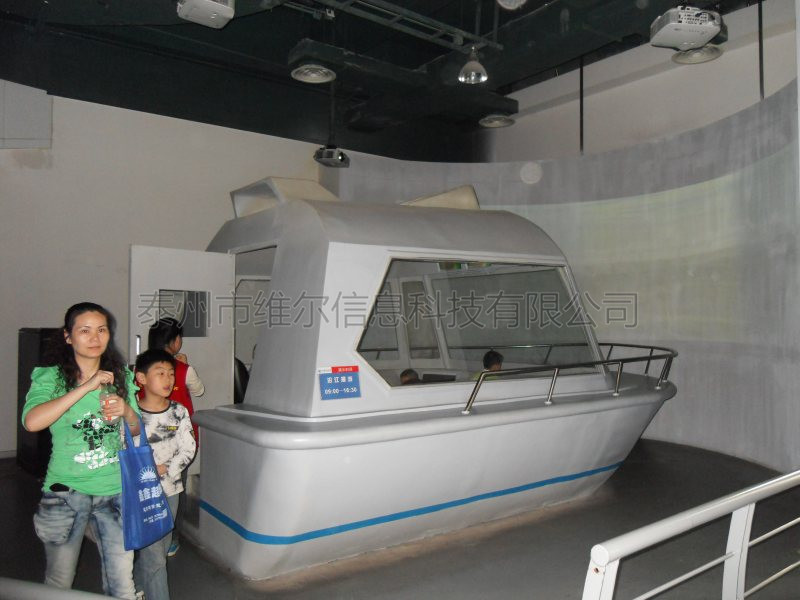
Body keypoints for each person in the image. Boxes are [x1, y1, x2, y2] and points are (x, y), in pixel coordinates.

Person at [22, 302, 141, 599]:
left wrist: (126, 411)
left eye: (102, 330)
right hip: (65, 492)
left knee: (122, 585)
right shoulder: (51, 377)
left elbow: (136, 430)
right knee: (59, 582)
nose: (95, 337)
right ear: (68, 336)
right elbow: (32, 422)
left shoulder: (121, 377)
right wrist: (85, 387)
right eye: (85, 331)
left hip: (114, 491)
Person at [132, 349, 196, 600]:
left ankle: (137, 585)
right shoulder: (132, 414)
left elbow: (188, 448)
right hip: (142, 493)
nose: (168, 379)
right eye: (160, 373)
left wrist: (168, 468)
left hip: (171, 490)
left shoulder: (178, 411)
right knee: (155, 556)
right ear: (141, 378)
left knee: (159, 548)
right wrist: (147, 468)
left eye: (171, 373)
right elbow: (122, 450)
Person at [147, 317, 204, 556]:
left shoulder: (141, 368)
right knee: (175, 488)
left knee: (148, 488)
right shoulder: (183, 369)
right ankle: (171, 539)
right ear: (175, 341)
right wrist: (185, 365)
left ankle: (148, 534)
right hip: (179, 442)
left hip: (147, 440)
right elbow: (199, 390)